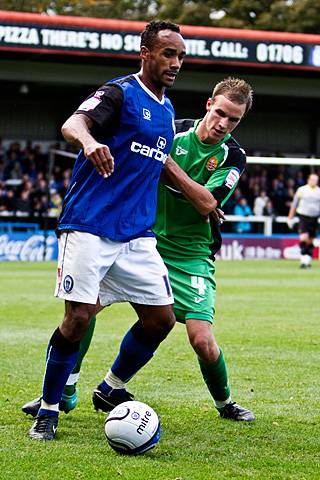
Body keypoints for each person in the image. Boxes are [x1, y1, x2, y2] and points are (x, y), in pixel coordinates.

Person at [24, 77, 255, 424]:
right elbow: (140, 164)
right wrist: (182, 182)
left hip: (192, 252)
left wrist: (163, 163)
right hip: (144, 240)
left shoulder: (232, 154)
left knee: (202, 340)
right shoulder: (172, 128)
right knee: (82, 313)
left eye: (233, 119)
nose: (223, 124)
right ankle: (62, 392)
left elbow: (207, 203)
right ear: (209, 105)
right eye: (220, 113)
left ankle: (224, 404)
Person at [26, 20, 186, 441]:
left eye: (181, 56)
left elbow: (157, 169)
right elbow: (73, 123)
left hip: (137, 235)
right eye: (168, 53)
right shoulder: (119, 92)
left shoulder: (167, 111)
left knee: (161, 320)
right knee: (77, 318)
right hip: (91, 225)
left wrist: (196, 194)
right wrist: (90, 142)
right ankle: (48, 409)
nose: (175, 63)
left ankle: (110, 388)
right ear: (145, 52)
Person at [287, 173, 320, 268]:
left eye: (316, 180)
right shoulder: (302, 190)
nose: (314, 181)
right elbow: (294, 204)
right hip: (304, 217)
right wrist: (290, 217)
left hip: (315, 217)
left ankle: (307, 260)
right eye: (312, 179)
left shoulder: (319, 191)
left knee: (311, 240)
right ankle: (303, 260)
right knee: (303, 238)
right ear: (308, 180)